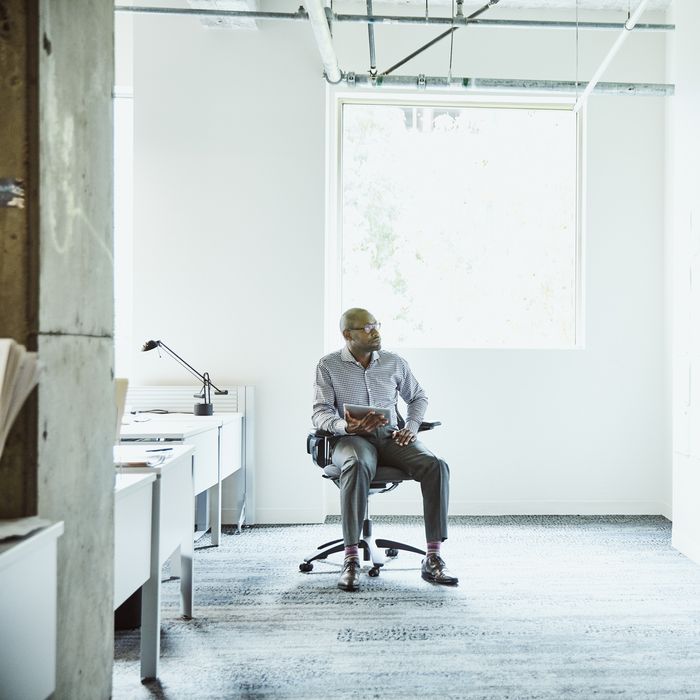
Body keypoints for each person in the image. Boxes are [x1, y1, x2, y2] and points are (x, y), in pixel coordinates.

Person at [312, 307, 458, 592]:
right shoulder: (328, 366)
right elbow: (319, 413)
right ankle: (352, 558)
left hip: (391, 436)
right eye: (367, 328)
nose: (375, 331)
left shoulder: (394, 362)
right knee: (356, 464)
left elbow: (417, 397)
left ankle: (433, 556)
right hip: (351, 439)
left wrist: (412, 426)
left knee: (436, 465)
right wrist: (345, 426)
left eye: (376, 325)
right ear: (347, 335)